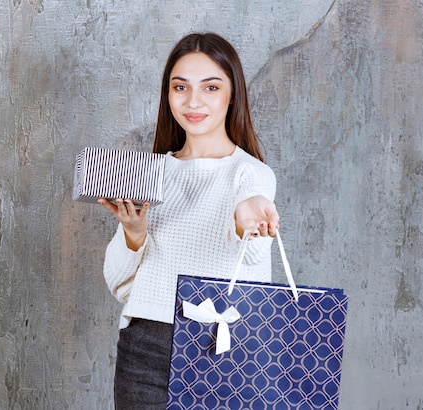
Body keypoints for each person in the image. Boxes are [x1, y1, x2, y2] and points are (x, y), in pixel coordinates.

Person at [98, 32, 280, 409]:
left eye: (210, 87)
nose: (193, 101)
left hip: (225, 349)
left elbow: (253, 252)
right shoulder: (149, 173)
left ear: (233, 96)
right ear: (168, 94)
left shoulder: (252, 175)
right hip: (144, 350)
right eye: (180, 87)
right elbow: (120, 285)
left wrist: (245, 219)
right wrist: (134, 233)